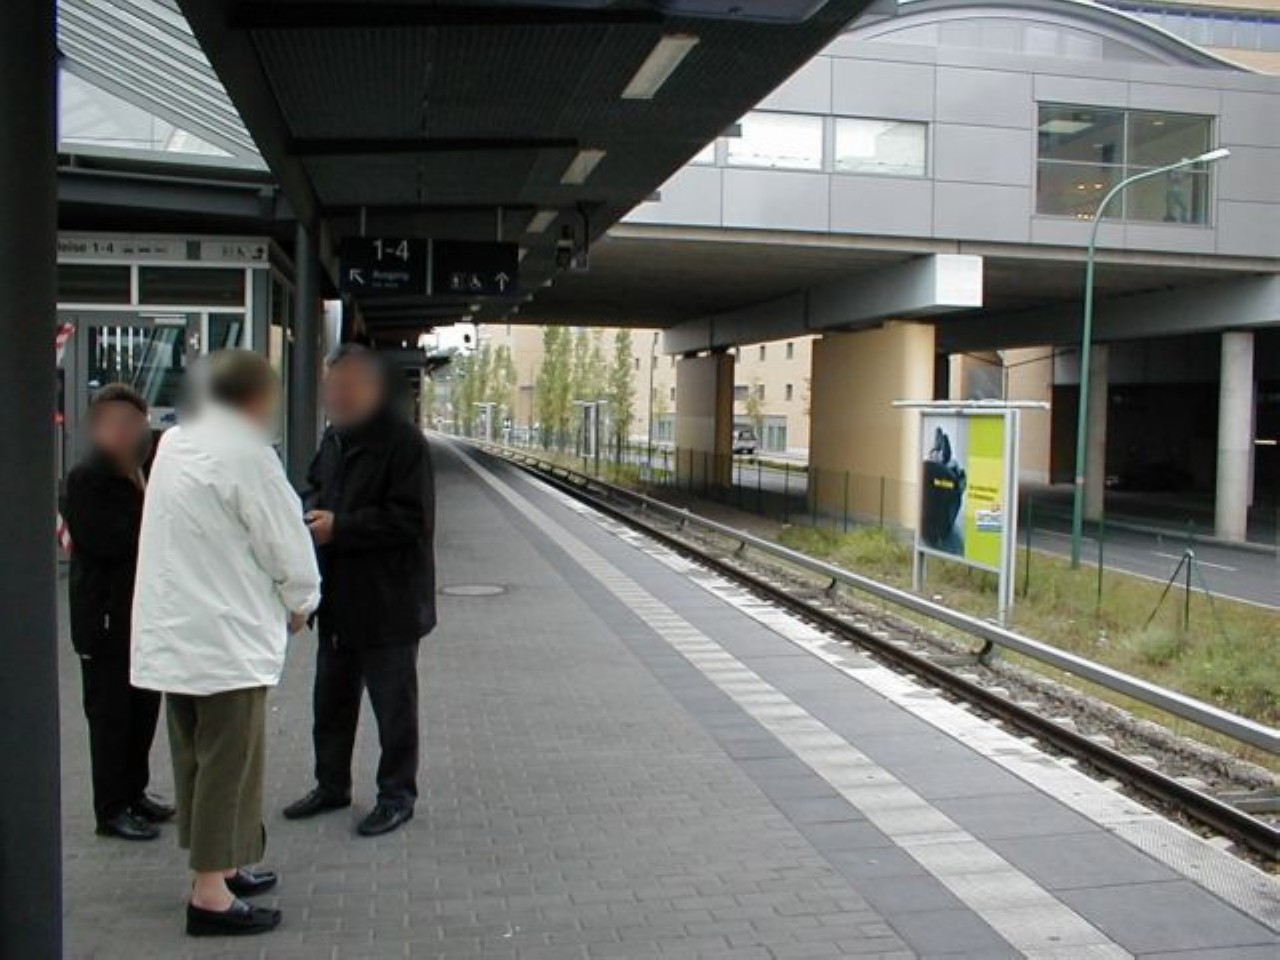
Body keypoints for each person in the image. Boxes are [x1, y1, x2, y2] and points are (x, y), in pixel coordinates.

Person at [131, 350, 321, 937]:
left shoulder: (174, 444)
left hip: (175, 633)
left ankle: (226, 866)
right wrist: (302, 600)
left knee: (195, 757)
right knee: (229, 766)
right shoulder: (248, 454)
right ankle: (210, 895)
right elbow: (284, 541)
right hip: (226, 637)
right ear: (257, 399)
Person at [283, 344, 436, 838]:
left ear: (372, 388)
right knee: (330, 702)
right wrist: (310, 510)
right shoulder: (335, 438)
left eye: (346, 386)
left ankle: (397, 796)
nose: (336, 396)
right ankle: (331, 786)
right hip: (340, 599)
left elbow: (411, 519)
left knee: (393, 708)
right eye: (332, 387)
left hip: (389, 603)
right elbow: (312, 484)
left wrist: (341, 527)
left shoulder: (403, 442)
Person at [63, 384, 172, 841]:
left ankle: (135, 792)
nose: (130, 432)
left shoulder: (147, 468)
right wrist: (155, 524)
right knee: (110, 719)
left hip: (144, 617)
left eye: (136, 423)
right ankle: (110, 809)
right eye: (119, 424)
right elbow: (111, 540)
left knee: (143, 710)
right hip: (104, 621)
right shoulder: (85, 479)